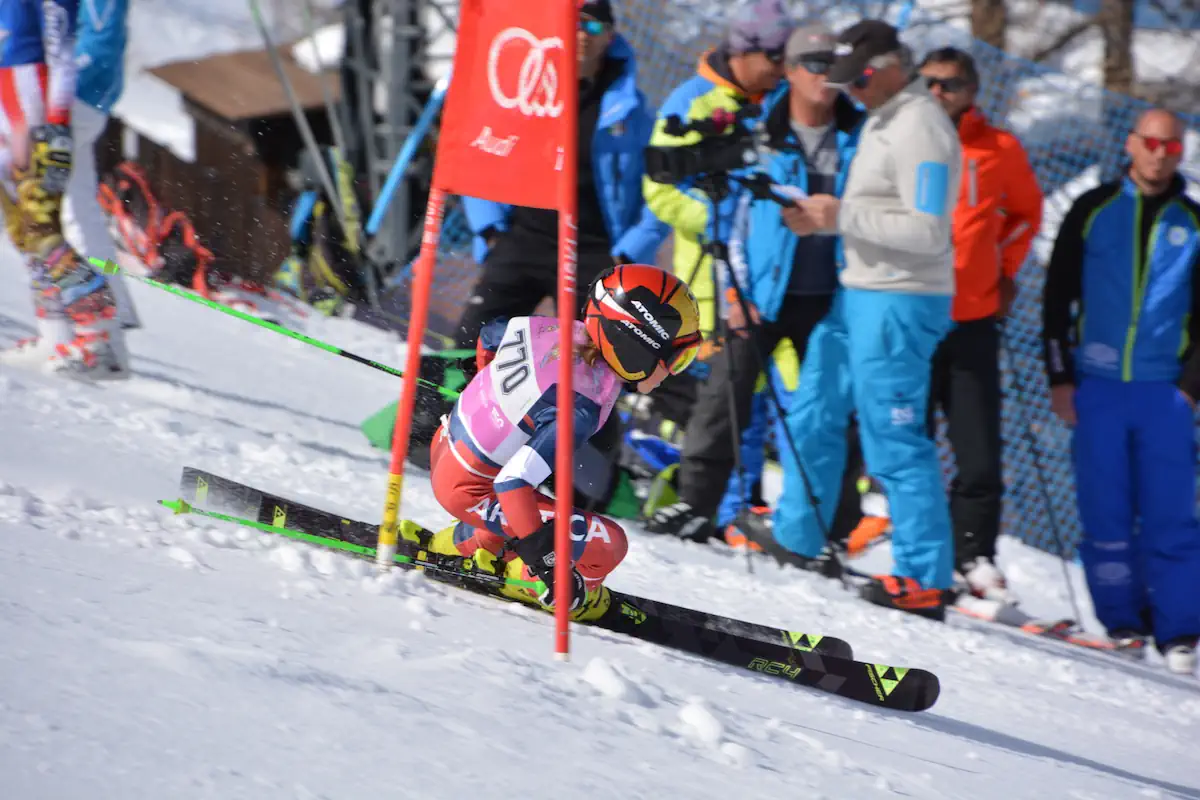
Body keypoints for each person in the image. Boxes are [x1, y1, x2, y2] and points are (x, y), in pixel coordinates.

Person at [761, 20, 961, 619]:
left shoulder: (923, 126)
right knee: (814, 407)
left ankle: (926, 577)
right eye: (845, 79)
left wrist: (839, 217)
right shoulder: (881, 116)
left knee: (892, 435)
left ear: (895, 65)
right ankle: (798, 535)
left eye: (861, 78)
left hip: (901, 299)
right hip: (860, 291)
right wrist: (825, 219)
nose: (851, 89)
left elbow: (929, 232)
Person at [650, 24, 868, 567]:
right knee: (723, 399)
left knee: (826, 409)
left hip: (831, 299)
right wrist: (735, 291)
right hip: (762, 293)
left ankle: (829, 527)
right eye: (814, 64)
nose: (826, 77)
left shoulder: (859, 135)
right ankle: (698, 505)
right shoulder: (761, 131)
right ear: (789, 70)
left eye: (835, 66)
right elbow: (735, 218)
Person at [417, 264, 702, 618]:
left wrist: (490, 387)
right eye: (676, 358)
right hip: (472, 488)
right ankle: (548, 588)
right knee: (609, 543)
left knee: (538, 507)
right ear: (636, 347)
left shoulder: (550, 327)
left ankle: (464, 547)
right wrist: (550, 565)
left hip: (447, 442)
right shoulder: (581, 405)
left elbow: (491, 335)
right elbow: (513, 483)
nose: (674, 371)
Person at [1042, 108, 1200, 674]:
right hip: (1098, 387)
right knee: (1104, 511)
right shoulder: (1092, 209)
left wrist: (1189, 389)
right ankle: (1121, 622)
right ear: (1132, 144)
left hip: (1164, 394)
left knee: (1170, 515)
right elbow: (1056, 297)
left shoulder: (1193, 221)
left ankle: (1180, 630)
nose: (1160, 153)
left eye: (1172, 146)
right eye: (1151, 142)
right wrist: (1060, 378)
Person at [639, 0, 794, 542]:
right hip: (713, 279)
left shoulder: (781, 99)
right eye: (774, 56)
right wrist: (725, 222)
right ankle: (725, 509)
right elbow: (660, 189)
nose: (781, 67)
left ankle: (757, 511)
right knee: (727, 399)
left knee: (774, 396)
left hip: (776, 276)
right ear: (745, 51)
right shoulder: (692, 100)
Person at [457, 0, 665, 352]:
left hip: (596, 250)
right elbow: (483, 151)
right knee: (470, 341)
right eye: (575, 23)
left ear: (610, 36)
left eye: (594, 26)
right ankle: (444, 389)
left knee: (593, 357)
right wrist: (490, 228)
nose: (583, 33)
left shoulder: (633, 112)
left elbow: (662, 189)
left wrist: (630, 252)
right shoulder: (525, 88)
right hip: (524, 236)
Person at [914, 47, 1043, 603]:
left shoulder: (998, 148)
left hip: (972, 318)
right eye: (928, 82)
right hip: (910, 313)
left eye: (949, 84)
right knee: (906, 439)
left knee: (979, 449)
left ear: (971, 91)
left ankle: (973, 553)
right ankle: (906, 540)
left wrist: (1003, 270)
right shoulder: (902, 135)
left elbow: (1026, 214)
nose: (937, 92)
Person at [0, 0, 129, 378]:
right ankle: (57, 334)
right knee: (23, 234)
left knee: (42, 233)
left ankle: (100, 340)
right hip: (11, 119)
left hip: (37, 118)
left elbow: (62, 53)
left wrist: (55, 127)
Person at [66, 0, 139, 329]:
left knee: (56, 211)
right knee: (77, 209)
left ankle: (101, 307)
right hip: (79, 90)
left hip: (73, 91)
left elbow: (100, 35)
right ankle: (113, 301)